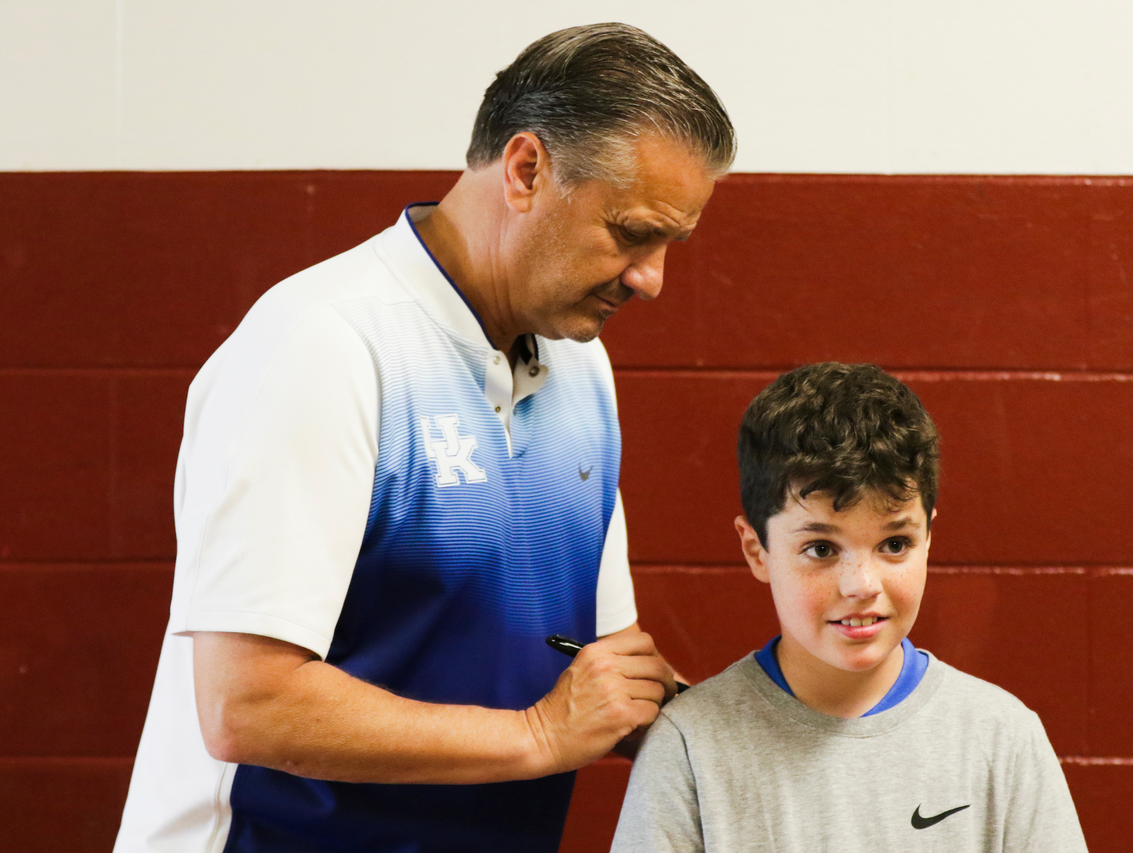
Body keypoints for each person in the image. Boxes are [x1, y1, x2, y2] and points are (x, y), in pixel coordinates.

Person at [114, 23, 735, 853]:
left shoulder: (583, 370)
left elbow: (608, 671)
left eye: (671, 244)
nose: (652, 279)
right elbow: (245, 706)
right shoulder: (322, 344)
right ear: (526, 170)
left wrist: (778, 722)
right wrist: (539, 737)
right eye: (630, 232)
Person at [610, 363, 1089, 853]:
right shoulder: (690, 746)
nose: (862, 585)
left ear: (929, 538)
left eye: (895, 543)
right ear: (758, 552)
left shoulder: (1002, 739)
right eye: (821, 549)